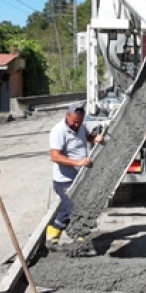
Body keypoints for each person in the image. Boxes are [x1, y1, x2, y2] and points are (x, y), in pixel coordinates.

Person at [46, 101, 103, 246]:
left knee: (67, 208)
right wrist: (78, 163)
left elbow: (87, 136)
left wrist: (95, 138)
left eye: (80, 121)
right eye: (74, 122)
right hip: (63, 180)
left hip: (79, 178)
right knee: (76, 209)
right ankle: (80, 241)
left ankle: (51, 236)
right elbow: (55, 156)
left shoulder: (81, 126)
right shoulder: (59, 131)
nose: (77, 125)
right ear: (67, 116)